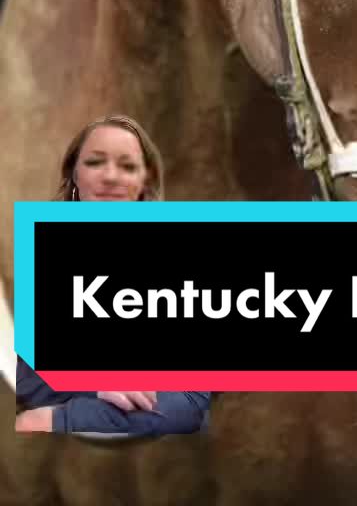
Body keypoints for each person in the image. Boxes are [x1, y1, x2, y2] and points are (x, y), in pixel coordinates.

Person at [14, 114, 212, 436]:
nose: (110, 176)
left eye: (127, 166)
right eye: (95, 162)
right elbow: (27, 382)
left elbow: (194, 397)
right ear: (74, 173)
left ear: (145, 180)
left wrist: (56, 417)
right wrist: (98, 388)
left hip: (162, 429)